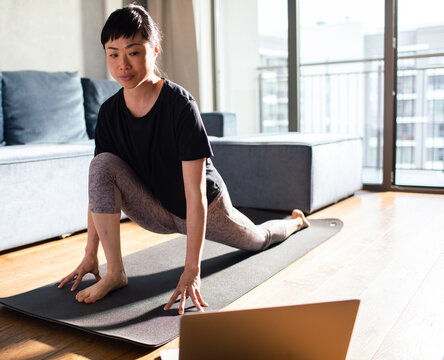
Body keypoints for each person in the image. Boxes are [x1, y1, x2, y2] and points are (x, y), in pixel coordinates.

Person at [58, 4, 310, 315]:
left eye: (133, 52)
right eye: (113, 54)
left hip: (208, 208)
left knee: (257, 239)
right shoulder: (109, 112)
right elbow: (99, 186)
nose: (123, 64)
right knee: (100, 165)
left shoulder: (180, 105)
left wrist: (192, 270)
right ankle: (115, 274)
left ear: (155, 50)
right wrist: (90, 252)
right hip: (155, 208)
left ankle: (295, 223)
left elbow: (196, 193)